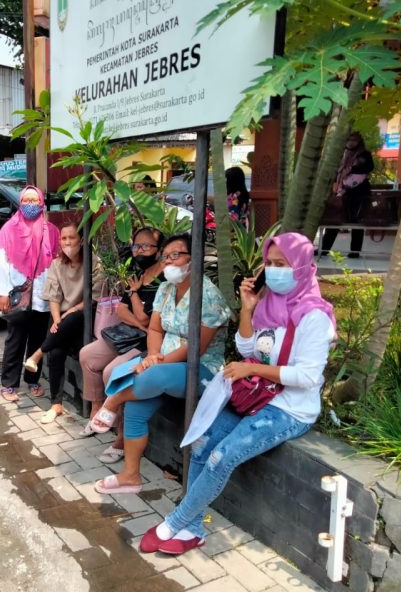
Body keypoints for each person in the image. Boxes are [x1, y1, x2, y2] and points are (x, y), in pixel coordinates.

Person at [139, 232, 336, 555]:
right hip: (255, 397)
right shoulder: (269, 304)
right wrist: (248, 309)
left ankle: (175, 522)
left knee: (221, 456)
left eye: (281, 264)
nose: (273, 271)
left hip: (289, 409)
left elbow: (307, 376)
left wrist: (253, 370)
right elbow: (249, 348)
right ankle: (191, 530)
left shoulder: (314, 316)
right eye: (269, 264)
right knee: (202, 445)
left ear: (301, 267)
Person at [89, 234, 232, 494]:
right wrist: (153, 356)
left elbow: (196, 348)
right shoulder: (165, 290)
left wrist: (157, 362)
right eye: (165, 257)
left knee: (153, 377)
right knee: (136, 406)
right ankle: (131, 476)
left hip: (201, 369)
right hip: (162, 364)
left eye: (176, 255)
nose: (169, 261)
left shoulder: (208, 295)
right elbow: (154, 329)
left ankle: (112, 400)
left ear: (194, 257)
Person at [78, 227, 165, 459]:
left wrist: (138, 309)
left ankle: (121, 436)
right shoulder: (138, 272)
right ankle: (97, 411)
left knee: (112, 372)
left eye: (146, 246)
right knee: (87, 355)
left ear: (159, 250)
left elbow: (147, 317)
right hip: (131, 332)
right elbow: (122, 309)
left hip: (150, 342)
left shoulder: (166, 278)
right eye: (137, 246)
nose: (140, 251)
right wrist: (140, 322)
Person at [23, 223, 102, 423]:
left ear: (82, 240)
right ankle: (56, 405)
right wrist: (57, 320)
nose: (67, 242)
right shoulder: (57, 264)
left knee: (73, 317)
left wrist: (73, 310)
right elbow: (54, 297)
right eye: (64, 238)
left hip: (84, 316)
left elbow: (94, 297)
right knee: (57, 352)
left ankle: (38, 353)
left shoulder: (93, 263)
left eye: (72, 238)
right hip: (63, 319)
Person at [0, 185, 60, 403]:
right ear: (20, 202)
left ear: (42, 203)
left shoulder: (51, 230)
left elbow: (57, 263)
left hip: (42, 294)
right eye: (26, 200)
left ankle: (33, 379)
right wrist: (2, 293)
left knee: (38, 339)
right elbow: (1, 263)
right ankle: (9, 383)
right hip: (17, 293)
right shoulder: (9, 229)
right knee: (15, 340)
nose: (30, 205)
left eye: (34, 201)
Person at [321, 132, 374, 258]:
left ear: (359, 141)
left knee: (356, 222)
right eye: (349, 139)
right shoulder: (341, 154)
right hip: (342, 191)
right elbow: (335, 171)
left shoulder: (364, 154)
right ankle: (324, 249)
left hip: (359, 192)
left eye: (354, 140)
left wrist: (351, 169)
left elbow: (368, 168)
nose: (351, 142)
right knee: (334, 220)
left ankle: (355, 252)